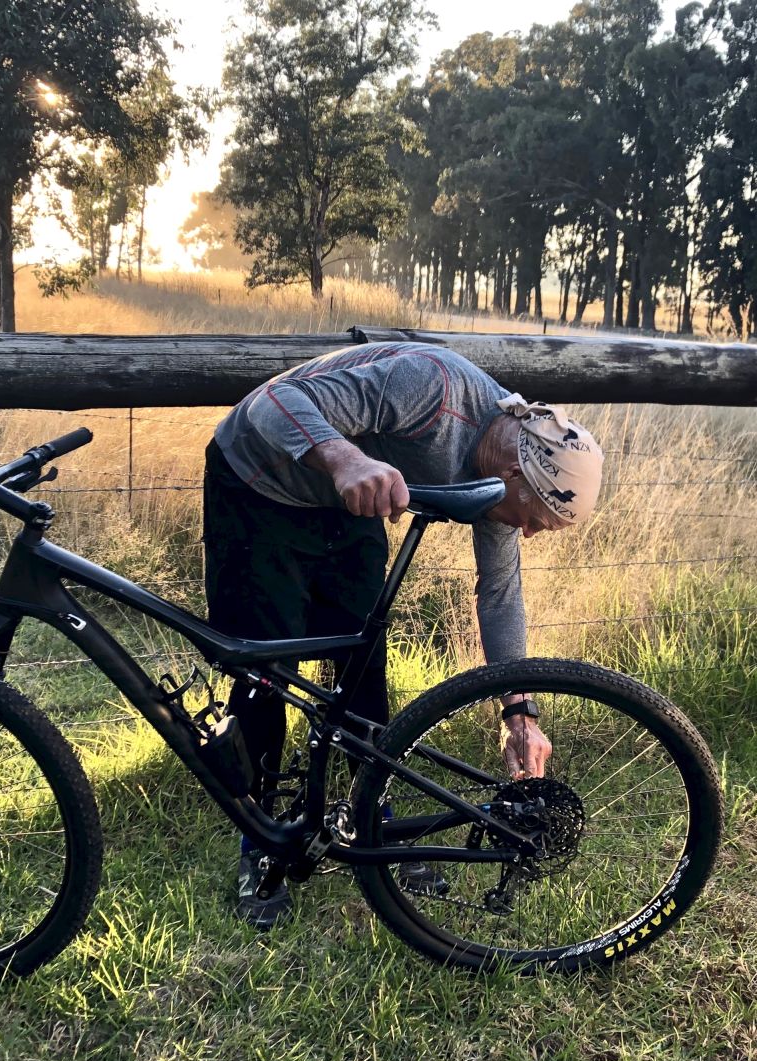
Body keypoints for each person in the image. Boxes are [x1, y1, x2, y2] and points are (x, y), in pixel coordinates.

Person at [202, 341, 605, 930]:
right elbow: (272, 402)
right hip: (261, 483)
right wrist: (345, 461)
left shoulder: (502, 481)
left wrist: (521, 713)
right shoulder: (433, 390)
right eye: (535, 520)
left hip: (350, 500)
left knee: (362, 668)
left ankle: (371, 825)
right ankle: (260, 844)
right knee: (267, 674)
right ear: (514, 475)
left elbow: (499, 596)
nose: (531, 534)